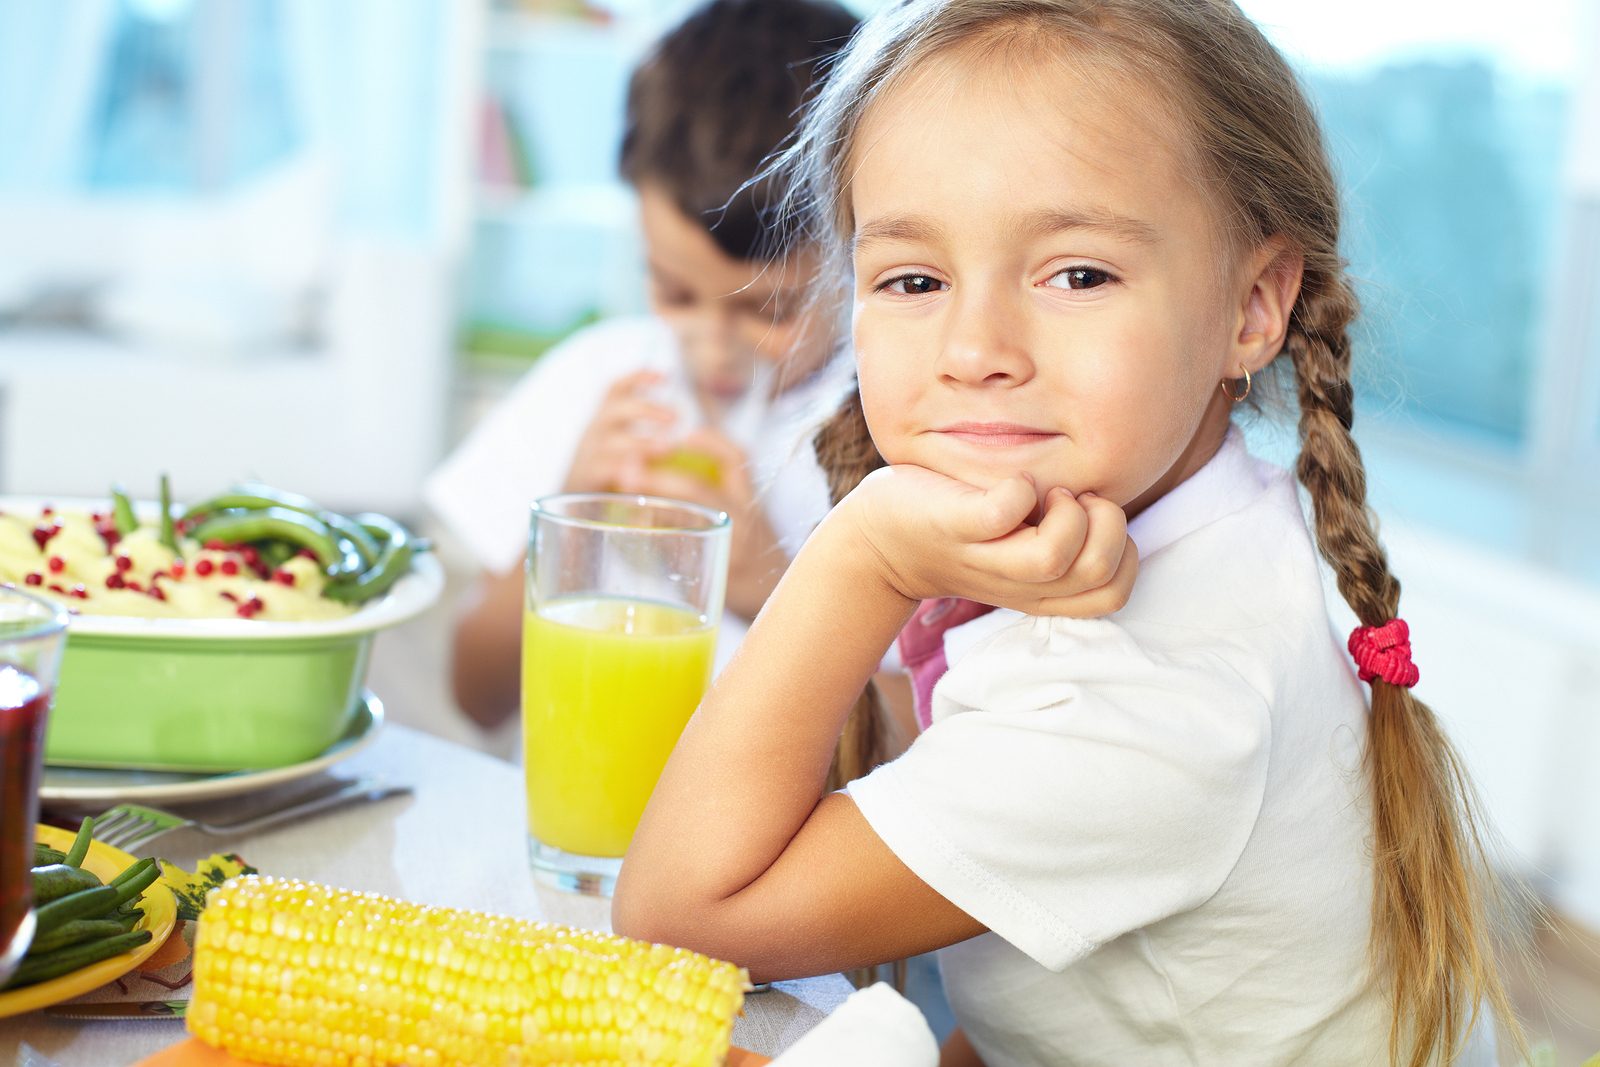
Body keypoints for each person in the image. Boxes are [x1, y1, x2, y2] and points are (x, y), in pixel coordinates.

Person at [611, 2, 1522, 1065]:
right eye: (914, 279)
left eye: (1078, 274)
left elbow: (676, 918)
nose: (975, 349)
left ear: (1251, 305)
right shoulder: (1205, 515)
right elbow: (1074, 1003)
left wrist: (860, 556)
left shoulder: (1148, 703)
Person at [426, 0, 860, 729]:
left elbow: (917, 737)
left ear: (860, 252)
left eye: (770, 310)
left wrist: (770, 588)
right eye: (674, 290)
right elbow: (477, 694)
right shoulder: (597, 383)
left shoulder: (888, 427)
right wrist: (568, 529)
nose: (713, 345)